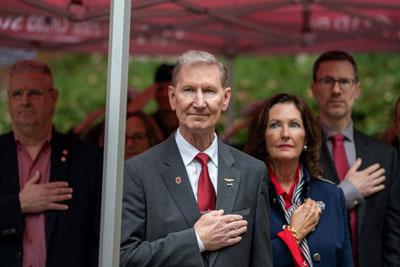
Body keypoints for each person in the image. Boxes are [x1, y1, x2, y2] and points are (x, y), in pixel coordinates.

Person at [120, 50, 272, 266]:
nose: (199, 102)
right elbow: (124, 257)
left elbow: (261, 259)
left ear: (225, 98)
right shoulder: (138, 172)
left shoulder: (252, 172)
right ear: (173, 97)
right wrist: (196, 240)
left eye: (209, 91)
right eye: (189, 90)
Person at [0, 59, 103, 267]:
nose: (25, 100)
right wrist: (19, 204)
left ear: (54, 97)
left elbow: (100, 236)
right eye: (17, 94)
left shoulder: (88, 159)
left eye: (35, 93)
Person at [311, 50, 400, 266]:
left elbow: (394, 235)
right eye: (327, 81)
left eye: (344, 81)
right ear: (313, 89)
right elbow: (294, 218)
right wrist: (347, 192)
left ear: (357, 90)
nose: (336, 90)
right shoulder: (300, 150)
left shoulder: (385, 156)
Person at [244, 93, 352, 267]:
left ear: (306, 137)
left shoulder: (331, 195)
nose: (285, 134)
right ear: (263, 137)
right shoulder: (246, 196)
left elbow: (345, 261)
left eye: (294, 125)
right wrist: (294, 234)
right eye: (274, 125)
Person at [96, 111, 164, 159]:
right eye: (122, 138)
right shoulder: (100, 177)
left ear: (152, 142)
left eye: (138, 137)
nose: (130, 144)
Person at [150, 63, 179, 138]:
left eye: (171, 89)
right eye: (160, 89)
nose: (165, 94)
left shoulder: (193, 122)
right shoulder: (147, 123)